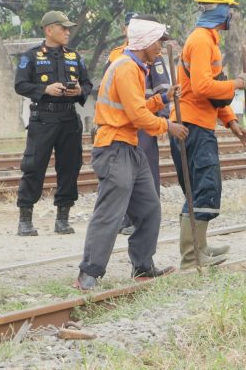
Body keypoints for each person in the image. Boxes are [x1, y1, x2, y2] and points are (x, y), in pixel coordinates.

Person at [74, 19, 186, 291]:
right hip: (114, 147)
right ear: (145, 42)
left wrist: (162, 99)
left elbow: (136, 107)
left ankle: (142, 267)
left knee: (149, 207)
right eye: (158, 42)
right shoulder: (125, 68)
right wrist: (168, 126)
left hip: (129, 147)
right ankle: (89, 273)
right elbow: (137, 116)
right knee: (110, 211)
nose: (160, 48)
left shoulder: (134, 67)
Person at [171, 0, 246, 268]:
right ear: (219, 9)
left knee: (201, 188)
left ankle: (200, 248)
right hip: (193, 126)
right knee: (204, 187)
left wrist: (230, 121)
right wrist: (238, 83)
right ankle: (191, 257)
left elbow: (212, 91)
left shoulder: (208, 40)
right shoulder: (201, 41)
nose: (231, 14)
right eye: (229, 8)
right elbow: (203, 86)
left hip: (197, 122)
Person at [14, 10, 92, 236]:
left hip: (69, 119)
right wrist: (45, 89)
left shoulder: (75, 57)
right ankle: (25, 219)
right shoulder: (31, 56)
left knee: (70, 168)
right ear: (49, 30)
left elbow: (88, 84)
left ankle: (63, 219)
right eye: (63, 28)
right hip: (43, 119)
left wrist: (79, 91)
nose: (67, 32)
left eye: (68, 29)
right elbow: (20, 85)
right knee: (34, 167)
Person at [109, 13, 172, 236]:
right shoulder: (117, 56)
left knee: (145, 171)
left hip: (146, 119)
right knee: (124, 175)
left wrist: (163, 117)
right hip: (125, 123)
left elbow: (162, 86)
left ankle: (143, 218)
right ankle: (126, 217)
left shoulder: (153, 54)